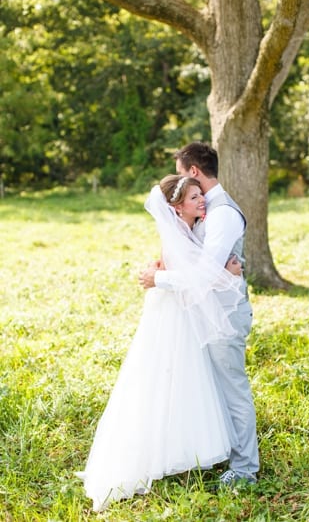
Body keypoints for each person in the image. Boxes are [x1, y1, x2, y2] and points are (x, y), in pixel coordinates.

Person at [77, 175, 245, 511]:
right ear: (177, 206)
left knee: (184, 380)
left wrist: (228, 271)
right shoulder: (178, 237)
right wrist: (224, 275)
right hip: (172, 317)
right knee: (164, 377)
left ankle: (181, 448)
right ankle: (158, 453)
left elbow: (199, 273)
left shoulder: (189, 231)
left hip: (184, 313)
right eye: (195, 197)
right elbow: (195, 278)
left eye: (202, 195)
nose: (203, 201)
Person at [139, 142, 259, 487]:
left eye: (181, 174)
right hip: (201, 313)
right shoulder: (201, 212)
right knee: (210, 387)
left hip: (224, 315)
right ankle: (216, 451)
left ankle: (245, 469)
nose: (177, 184)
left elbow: (208, 273)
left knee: (233, 389)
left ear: (193, 171)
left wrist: (158, 279)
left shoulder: (222, 213)